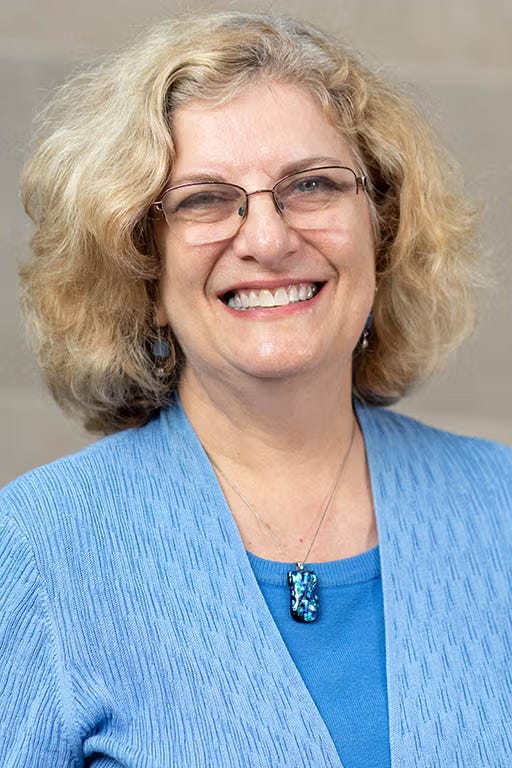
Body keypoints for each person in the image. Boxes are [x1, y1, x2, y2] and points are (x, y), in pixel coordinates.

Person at [1, 10, 511, 768]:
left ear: (382, 231)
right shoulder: (36, 547)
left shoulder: (502, 505)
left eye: (312, 185)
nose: (268, 240)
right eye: (203, 199)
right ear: (142, 266)